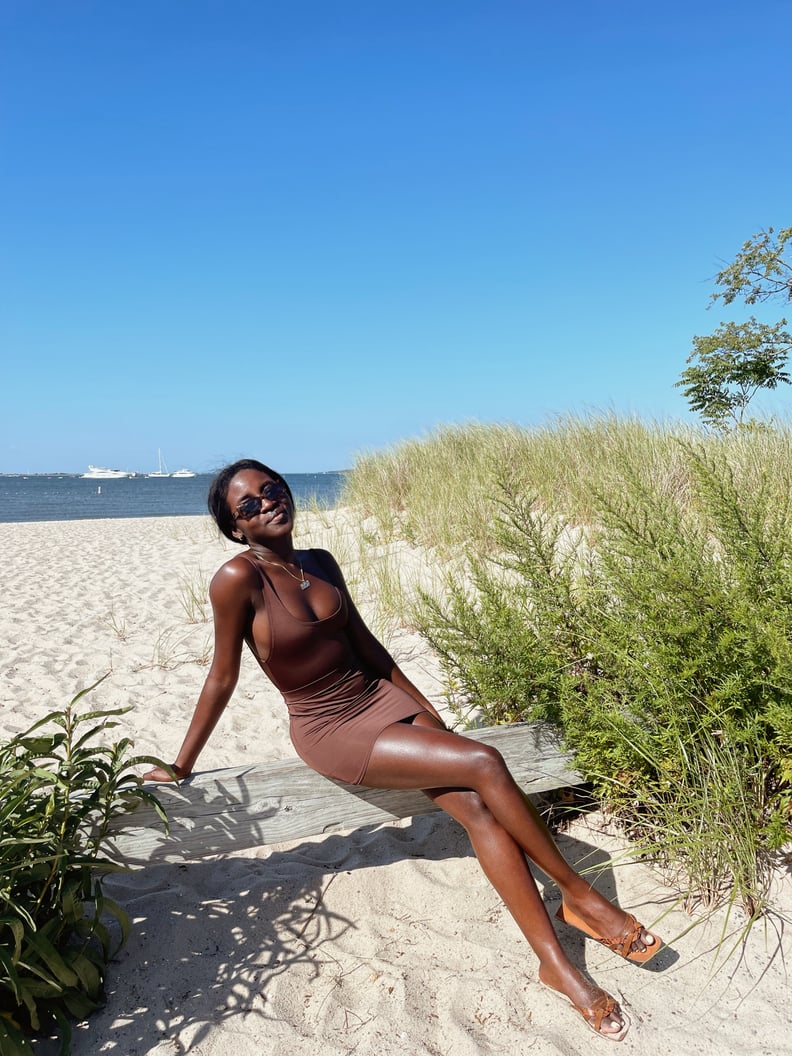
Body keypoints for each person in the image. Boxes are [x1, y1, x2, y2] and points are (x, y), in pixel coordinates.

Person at [144, 458, 662, 1042]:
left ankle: (555, 964)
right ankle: (579, 895)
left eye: (272, 489)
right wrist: (182, 763)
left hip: (379, 701)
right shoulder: (237, 579)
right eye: (249, 505)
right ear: (236, 527)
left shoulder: (320, 563)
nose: (267, 503)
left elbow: (368, 646)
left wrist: (426, 712)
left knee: (479, 807)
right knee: (483, 762)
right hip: (329, 726)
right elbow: (221, 676)